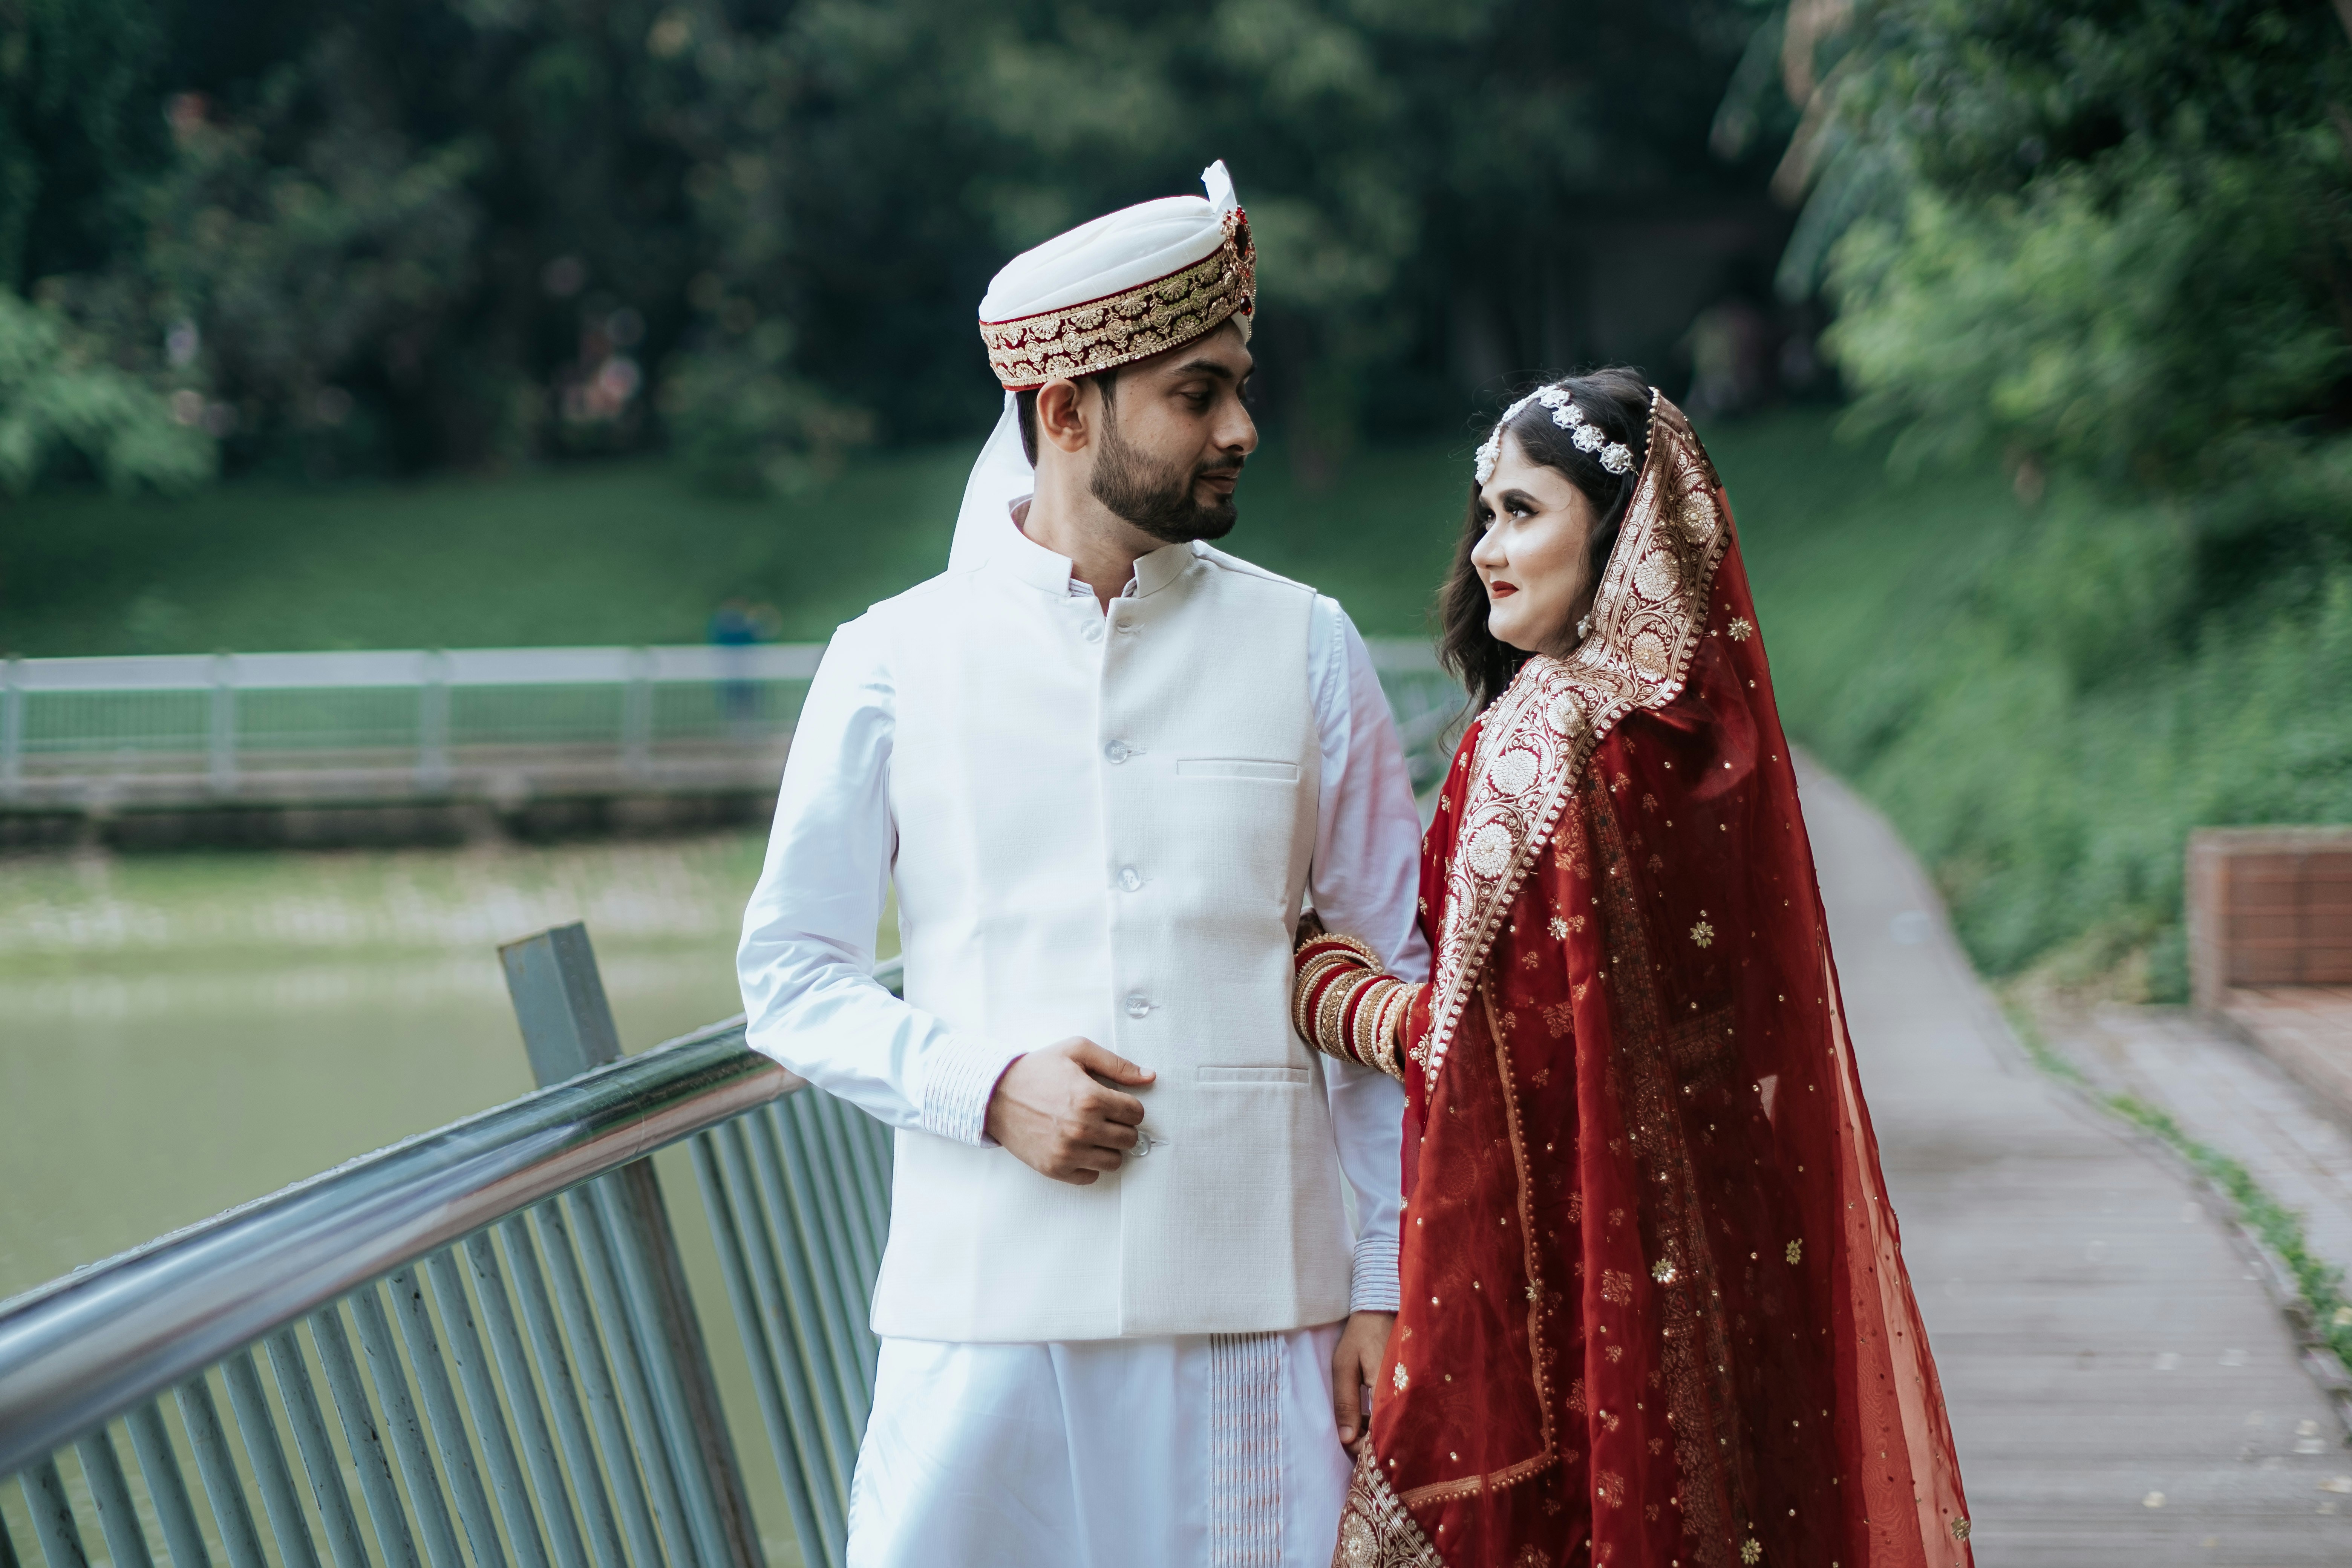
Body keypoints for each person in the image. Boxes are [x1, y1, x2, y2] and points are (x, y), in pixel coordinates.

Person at [736, 162, 1424, 1567]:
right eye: (1195, 393)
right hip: (983, 1323)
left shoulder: (1310, 645)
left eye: (1240, 383)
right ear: (1065, 411)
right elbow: (790, 977)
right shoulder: (889, 662)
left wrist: (1383, 1284)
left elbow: (1390, 1000)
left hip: (1258, 1326)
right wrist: (983, 1089)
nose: (1241, 425)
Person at [1289, 369, 1975, 1567]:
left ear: (1615, 536)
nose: (1489, 550)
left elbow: (1466, 1039)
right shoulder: (1707, 737)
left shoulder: (1537, 737)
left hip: (1573, 1279)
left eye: (1523, 513)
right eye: (1486, 515)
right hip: (1732, 1250)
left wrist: (1324, 987)